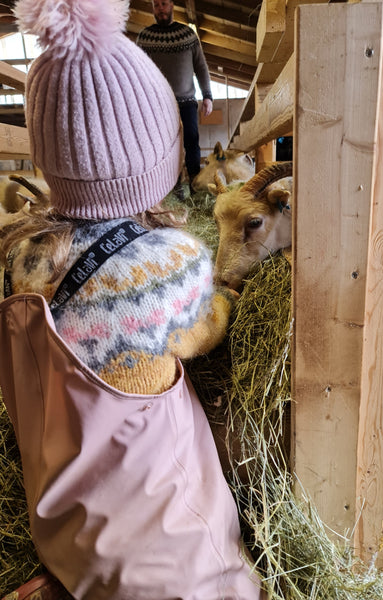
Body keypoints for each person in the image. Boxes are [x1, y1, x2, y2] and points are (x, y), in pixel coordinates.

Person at [0, 1, 264, 599]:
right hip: (161, 546)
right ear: (156, 159)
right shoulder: (167, 267)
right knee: (228, 583)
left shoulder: (25, 257)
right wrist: (223, 293)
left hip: (65, 515)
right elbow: (205, 331)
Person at [136, 0, 213, 186]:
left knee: (192, 143)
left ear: (171, 5)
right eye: (156, 5)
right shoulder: (145, 37)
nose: (160, 9)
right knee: (163, 148)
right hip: (157, 104)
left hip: (187, 102)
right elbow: (137, 70)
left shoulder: (188, 35)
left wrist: (207, 96)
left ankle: (195, 187)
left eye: (163, 4)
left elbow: (201, 66)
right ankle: (172, 188)